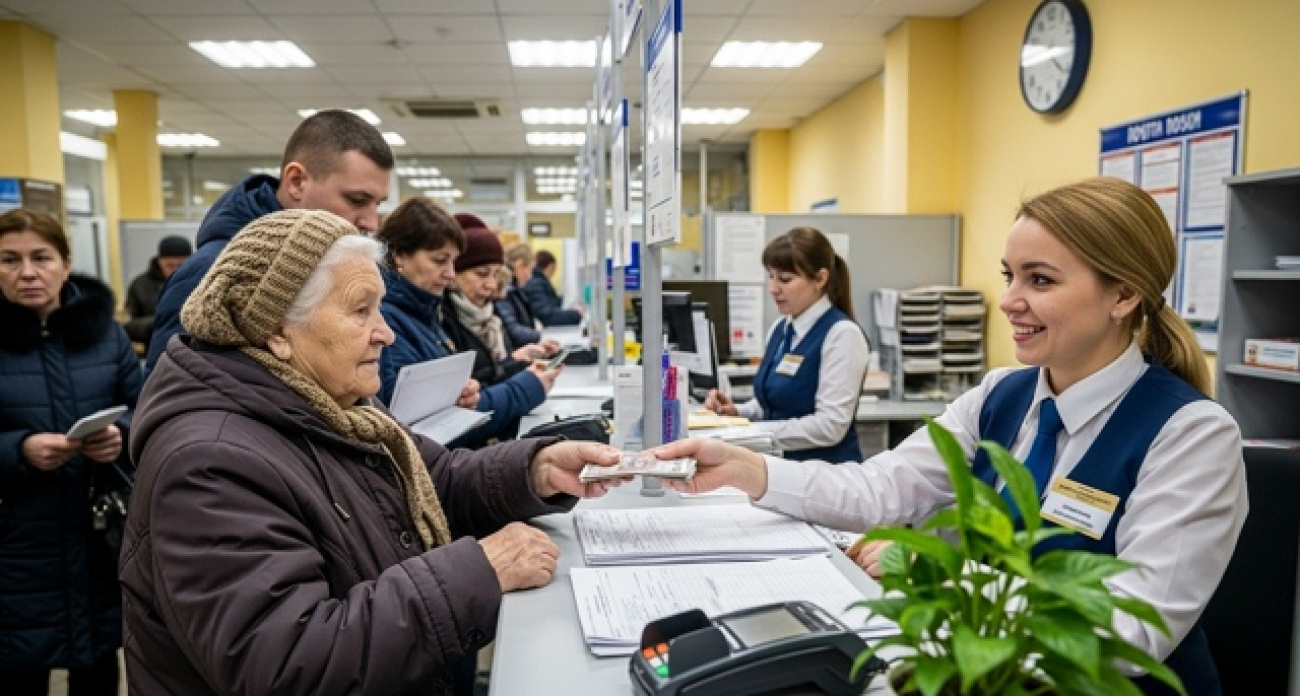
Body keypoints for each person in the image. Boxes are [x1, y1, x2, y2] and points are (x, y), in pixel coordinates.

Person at [654, 178, 1248, 696]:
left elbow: (1130, 631)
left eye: (1039, 280)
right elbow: (881, 489)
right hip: (990, 676)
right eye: (1009, 275)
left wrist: (937, 574)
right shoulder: (1001, 396)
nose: (1010, 301)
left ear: (1123, 294)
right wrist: (745, 469)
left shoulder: (1191, 435)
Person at [120, 209, 623, 695]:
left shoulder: (334, 406)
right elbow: (286, 663)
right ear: (276, 329)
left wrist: (534, 470)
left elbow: (437, 479)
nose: (386, 331)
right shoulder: (209, 464)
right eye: (361, 310)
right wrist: (480, 570)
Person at [0, 209, 144, 695]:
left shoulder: (105, 335)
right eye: (8, 259)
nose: (27, 272)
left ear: (65, 262)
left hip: (97, 539)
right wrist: (17, 450)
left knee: (98, 666)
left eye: (41, 257)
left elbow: (143, 409)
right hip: (16, 548)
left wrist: (119, 436)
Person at [144, 108, 393, 371]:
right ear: (296, 182)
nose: (371, 222)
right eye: (357, 200)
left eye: (377, 204)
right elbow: (172, 396)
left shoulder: (339, 265)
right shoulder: (213, 273)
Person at [377, 199, 558, 447]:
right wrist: (524, 389)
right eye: (440, 260)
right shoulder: (387, 324)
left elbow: (447, 402)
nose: (450, 273)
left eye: (452, 262)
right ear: (399, 255)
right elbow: (415, 431)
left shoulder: (424, 314)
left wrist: (469, 393)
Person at [702, 227, 868, 463]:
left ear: (820, 279)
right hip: (782, 467)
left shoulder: (842, 335)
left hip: (826, 476)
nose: (773, 288)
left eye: (785, 279)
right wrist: (738, 412)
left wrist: (749, 433)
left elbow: (830, 426)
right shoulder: (781, 329)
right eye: (771, 276)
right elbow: (772, 405)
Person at [442, 213, 560, 388]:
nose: (491, 285)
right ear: (453, 274)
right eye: (481, 274)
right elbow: (472, 394)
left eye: (496, 274)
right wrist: (528, 384)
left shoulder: (490, 315)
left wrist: (518, 361)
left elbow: (492, 373)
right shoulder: (443, 322)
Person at [123, 234, 191, 344]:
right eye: (169, 265)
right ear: (160, 262)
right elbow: (128, 325)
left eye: (181, 265)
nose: (175, 270)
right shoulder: (140, 285)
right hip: (156, 348)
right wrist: (161, 321)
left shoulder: (201, 281)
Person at [496, 247, 545, 346]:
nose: (530, 276)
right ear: (519, 265)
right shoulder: (504, 292)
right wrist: (539, 335)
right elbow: (513, 331)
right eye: (530, 269)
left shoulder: (515, 291)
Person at [522, 248, 583, 326]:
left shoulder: (538, 282)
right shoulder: (536, 284)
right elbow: (548, 316)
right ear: (550, 267)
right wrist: (576, 314)